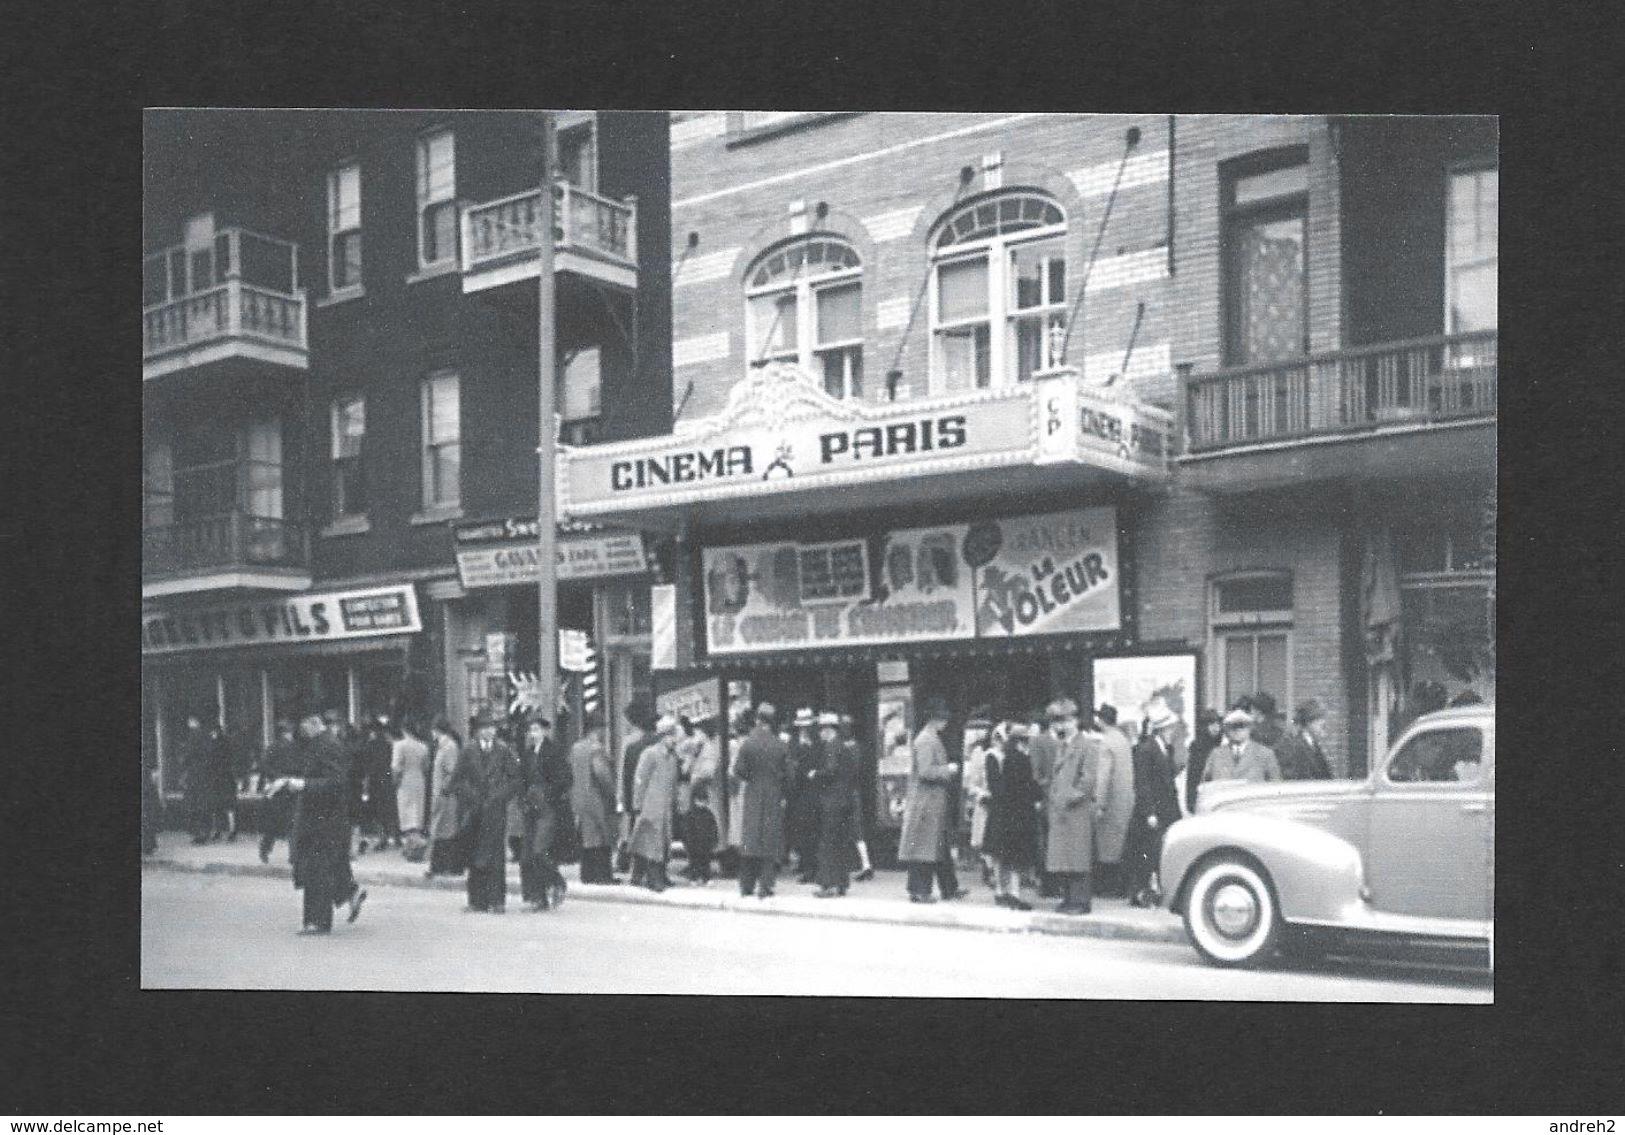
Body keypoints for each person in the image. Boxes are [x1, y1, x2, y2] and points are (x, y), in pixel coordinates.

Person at [282, 713, 366, 935]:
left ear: (313, 723)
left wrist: (303, 785)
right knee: (322, 867)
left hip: (324, 820)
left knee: (316, 870)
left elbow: (336, 783)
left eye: (303, 726)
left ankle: (317, 921)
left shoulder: (328, 746)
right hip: (321, 819)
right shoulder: (322, 744)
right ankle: (348, 894)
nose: (301, 732)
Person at [447, 709, 523, 913]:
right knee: (475, 854)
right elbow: (457, 779)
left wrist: (501, 796)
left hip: (496, 810)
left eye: (492, 728)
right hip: (474, 810)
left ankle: (497, 900)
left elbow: (516, 779)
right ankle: (477, 900)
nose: (489, 732)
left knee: (495, 856)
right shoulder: (468, 751)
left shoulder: (504, 751)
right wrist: (469, 795)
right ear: (477, 731)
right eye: (484, 728)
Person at [899, 699, 965, 904]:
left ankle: (949, 887)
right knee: (923, 849)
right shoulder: (926, 740)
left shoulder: (929, 738)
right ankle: (920, 891)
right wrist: (948, 770)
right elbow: (926, 771)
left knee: (938, 847)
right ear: (937, 720)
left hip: (932, 803)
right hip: (925, 804)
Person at [1044, 698, 1100, 915]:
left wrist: (1068, 797)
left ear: (1075, 721)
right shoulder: (1062, 746)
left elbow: (1088, 780)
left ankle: (1081, 901)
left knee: (1078, 858)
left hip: (1076, 811)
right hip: (1061, 811)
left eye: (1064, 721)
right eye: (1057, 722)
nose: (1060, 726)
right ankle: (1068, 898)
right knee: (1065, 859)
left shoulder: (1086, 746)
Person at [1125, 701, 1183, 907]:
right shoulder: (1145, 750)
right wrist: (1149, 812)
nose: (1172, 730)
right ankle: (1141, 892)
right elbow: (1142, 783)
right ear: (1162, 728)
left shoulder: (1164, 748)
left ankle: (1153, 890)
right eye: (1169, 727)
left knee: (1157, 851)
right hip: (1152, 811)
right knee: (1146, 853)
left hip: (1166, 808)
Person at [733, 702, 790, 899]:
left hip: (753, 794)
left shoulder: (748, 743)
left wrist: (751, 777)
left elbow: (738, 770)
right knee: (769, 842)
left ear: (757, 719)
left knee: (750, 839)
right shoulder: (780, 745)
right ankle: (765, 886)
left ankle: (746, 885)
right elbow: (788, 774)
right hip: (773, 794)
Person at [984, 722, 1041, 910]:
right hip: (1020, 813)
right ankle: (1015, 894)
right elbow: (1028, 787)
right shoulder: (1022, 760)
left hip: (1005, 813)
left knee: (1004, 855)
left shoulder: (1006, 758)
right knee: (1017, 857)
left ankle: (1003, 892)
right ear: (1021, 742)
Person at [518, 716, 572, 911]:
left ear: (545, 731)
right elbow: (522, 779)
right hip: (530, 808)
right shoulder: (528, 753)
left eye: (537, 729)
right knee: (527, 855)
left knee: (539, 850)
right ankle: (538, 897)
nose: (534, 734)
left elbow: (565, 779)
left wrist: (548, 793)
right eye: (531, 730)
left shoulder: (554, 752)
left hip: (548, 808)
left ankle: (557, 882)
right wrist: (524, 798)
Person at [630, 715, 683, 892]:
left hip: (665, 805)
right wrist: (637, 804)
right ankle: (653, 877)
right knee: (651, 841)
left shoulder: (672, 758)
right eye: (672, 736)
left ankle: (659, 872)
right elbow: (640, 779)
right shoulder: (650, 754)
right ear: (664, 736)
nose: (675, 740)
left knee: (664, 840)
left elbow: (673, 783)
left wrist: (675, 801)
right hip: (651, 805)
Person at [810, 712, 859, 898]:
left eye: (821, 729)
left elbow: (830, 771)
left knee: (828, 842)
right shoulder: (843, 747)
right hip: (845, 800)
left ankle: (828, 884)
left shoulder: (831, 747)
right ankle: (841, 883)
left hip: (832, 801)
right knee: (841, 842)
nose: (820, 733)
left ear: (828, 730)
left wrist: (816, 774)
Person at [569, 709, 619, 884]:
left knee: (586, 837)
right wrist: (612, 792)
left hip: (580, 797)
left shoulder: (576, 748)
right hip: (596, 797)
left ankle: (587, 874)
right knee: (601, 835)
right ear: (597, 730)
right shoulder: (596, 749)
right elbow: (601, 774)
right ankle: (603, 875)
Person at [1092, 704, 1135, 899]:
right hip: (1124, 800)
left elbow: (1103, 776)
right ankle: (1122, 887)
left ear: (1101, 720)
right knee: (1120, 844)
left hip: (1110, 802)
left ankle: (1108, 889)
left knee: (1107, 848)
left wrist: (1099, 803)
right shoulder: (1123, 740)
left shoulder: (1106, 743)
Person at [1027, 703, 1063, 897]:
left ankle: (1060, 882)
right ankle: (1048, 884)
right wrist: (1041, 792)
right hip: (1048, 798)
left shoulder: (1067, 740)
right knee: (1047, 842)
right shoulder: (1039, 741)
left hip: (1064, 799)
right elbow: (1035, 772)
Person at [682, 716, 722, 884]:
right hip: (698, 789)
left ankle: (698, 867)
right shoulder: (702, 748)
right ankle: (696, 866)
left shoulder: (709, 749)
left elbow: (707, 772)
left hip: (701, 791)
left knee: (699, 832)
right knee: (695, 832)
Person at [255, 718, 301, 864]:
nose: (290, 735)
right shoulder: (293, 747)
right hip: (286, 787)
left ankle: (266, 849)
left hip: (280, 787)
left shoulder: (273, 747)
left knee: (276, 824)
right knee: (290, 822)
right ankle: (292, 855)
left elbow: (264, 766)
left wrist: (276, 778)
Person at [616, 700, 655, 874]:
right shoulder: (652, 740)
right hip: (647, 790)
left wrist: (621, 794)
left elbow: (622, 769)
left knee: (630, 826)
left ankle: (626, 860)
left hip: (631, 788)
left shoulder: (629, 742)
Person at [838, 714, 877, 882]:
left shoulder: (843, 748)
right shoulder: (858, 747)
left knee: (847, 828)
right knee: (856, 830)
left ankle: (856, 865)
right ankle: (864, 864)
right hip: (854, 791)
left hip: (845, 792)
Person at [426, 718, 466, 877]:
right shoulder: (442, 747)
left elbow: (452, 772)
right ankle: (439, 866)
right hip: (441, 795)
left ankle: (444, 866)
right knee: (441, 829)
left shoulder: (449, 747)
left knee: (444, 830)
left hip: (446, 796)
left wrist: (444, 789)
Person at [1203, 707, 1283, 785]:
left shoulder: (1265, 754)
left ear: (1250, 728)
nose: (1237, 730)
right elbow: (1205, 785)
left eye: (1242, 726)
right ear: (1226, 729)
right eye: (1233, 726)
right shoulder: (1216, 754)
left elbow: (1276, 787)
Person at [786, 707, 820, 883]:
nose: (804, 729)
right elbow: (791, 765)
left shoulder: (816, 742)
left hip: (813, 793)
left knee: (813, 831)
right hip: (798, 793)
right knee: (802, 831)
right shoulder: (794, 743)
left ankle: (813, 868)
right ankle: (805, 865)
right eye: (802, 726)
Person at [961, 714, 994, 887]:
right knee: (983, 838)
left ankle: (993, 870)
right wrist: (980, 793)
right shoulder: (978, 753)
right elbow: (973, 781)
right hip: (984, 800)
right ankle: (988, 870)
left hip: (994, 800)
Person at [391, 720, 431, 857]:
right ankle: (411, 846)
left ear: (404, 730)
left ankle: (414, 846)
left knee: (406, 813)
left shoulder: (399, 746)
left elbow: (396, 767)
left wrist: (395, 782)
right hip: (419, 780)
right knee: (417, 813)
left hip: (405, 781)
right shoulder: (423, 747)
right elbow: (426, 767)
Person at [1277, 698, 1334, 780]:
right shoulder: (1294, 746)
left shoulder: (1313, 744)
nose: (1323, 722)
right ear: (1309, 721)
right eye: (1319, 719)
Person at [1182, 708, 1224, 815]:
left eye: (1218, 724)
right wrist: (1191, 803)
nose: (1216, 728)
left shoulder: (1221, 745)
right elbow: (1193, 777)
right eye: (1211, 724)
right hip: (1203, 796)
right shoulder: (1197, 747)